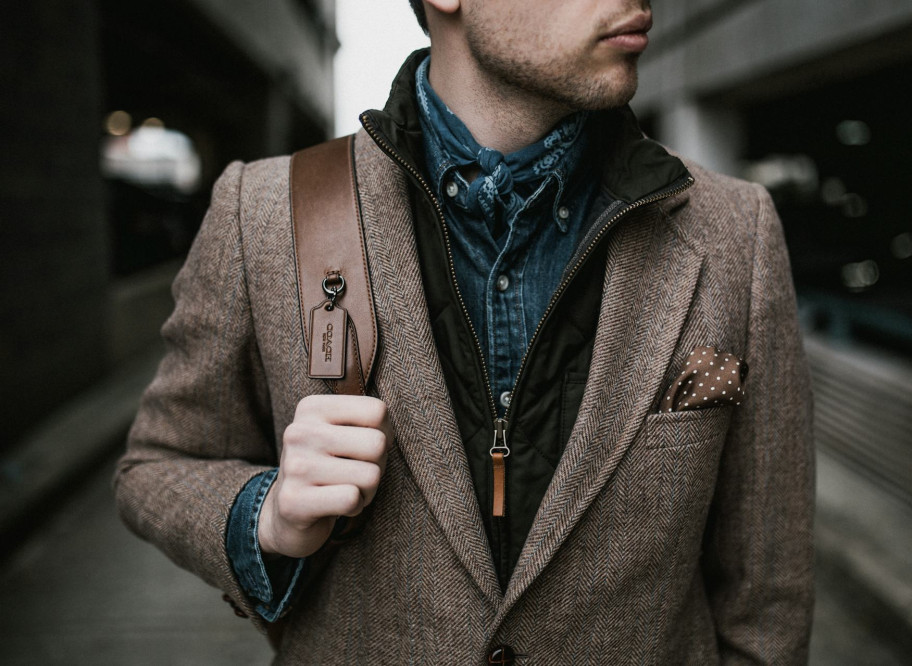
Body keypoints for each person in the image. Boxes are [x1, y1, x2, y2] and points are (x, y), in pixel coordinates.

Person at [115, 0, 815, 663]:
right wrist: (265, 517)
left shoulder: (736, 230)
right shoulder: (263, 212)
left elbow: (768, 598)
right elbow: (157, 465)